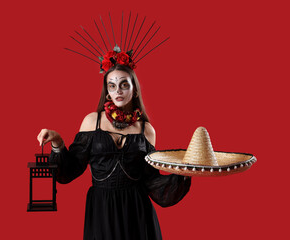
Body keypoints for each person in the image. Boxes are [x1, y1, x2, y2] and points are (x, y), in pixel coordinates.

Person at [37, 64, 191, 240]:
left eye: (124, 84)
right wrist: (57, 142)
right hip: (102, 209)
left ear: (135, 90)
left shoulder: (146, 130)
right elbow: (70, 169)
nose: (118, 90)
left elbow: (151, 180)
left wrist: (182, 173)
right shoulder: (92, 121)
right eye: (112, 85)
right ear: (107, 92)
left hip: (137, 210)